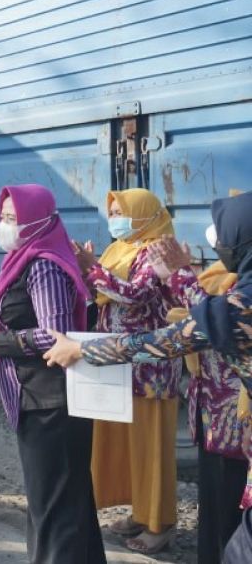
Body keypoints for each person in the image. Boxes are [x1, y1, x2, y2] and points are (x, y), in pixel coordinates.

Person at [43, 190, 252, 564]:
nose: (219, 243)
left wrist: (82, 351)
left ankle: (160, 522)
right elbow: (205, 315)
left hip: (216, 414)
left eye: (225, 235)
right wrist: (182, 276)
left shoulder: (240, 310)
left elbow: (166, 340)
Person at [0, 184, 105, 564]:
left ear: (38, 221)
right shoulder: (21, 259)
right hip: (37, 398)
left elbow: (54, 336)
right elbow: (15, 316)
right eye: (4, 217)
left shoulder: (43, 263)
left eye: (14, 219)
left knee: (55, 510)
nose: (4, 225)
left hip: (51, 403)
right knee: (66, 504)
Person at [72, 189, 185, 553]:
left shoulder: (158, 250)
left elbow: (133, 294)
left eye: (122, 211)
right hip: (119, 363)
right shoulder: (119, 249)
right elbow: (102, 295)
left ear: (144, 214)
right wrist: (87, 270)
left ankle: (160, 524)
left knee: (152, 449)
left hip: (151, 369)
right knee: (129, 446)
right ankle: (140, 511)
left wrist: (92, 266)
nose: (116, 217)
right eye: (113, 211)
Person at [148, 190, 250, 564]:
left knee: (230, 515)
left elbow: (212, 317)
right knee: (214, 510)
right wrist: (183, 277)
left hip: (234, 424)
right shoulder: (219, 274)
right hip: (210, 414)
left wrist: (181, 276)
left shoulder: (242, 285)